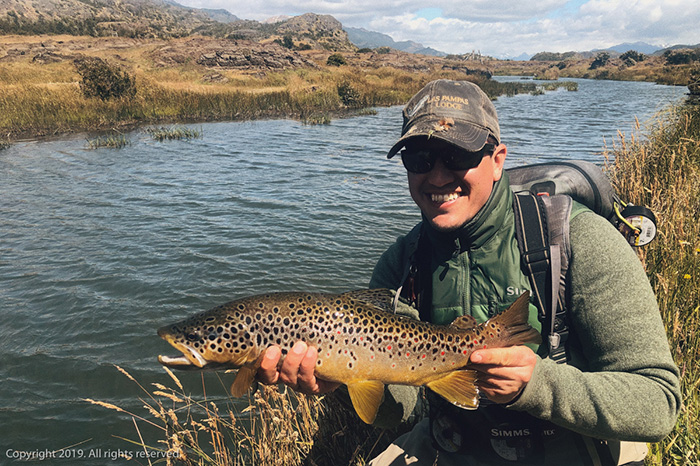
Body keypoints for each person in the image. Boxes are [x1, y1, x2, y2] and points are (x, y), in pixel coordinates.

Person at [257, 79, 681, 465]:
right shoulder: (401, 263)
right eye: (419, 157)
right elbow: (400, 408)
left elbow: (658, 401)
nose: (438, 175)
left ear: (498, 160)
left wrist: (538, 385)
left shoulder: (575, 239)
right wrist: (342, 376)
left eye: (457, 155)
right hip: (451, 448)